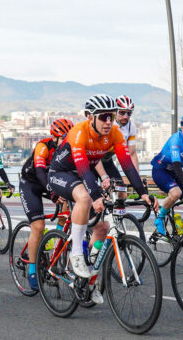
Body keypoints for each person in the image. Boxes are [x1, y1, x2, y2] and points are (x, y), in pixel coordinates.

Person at [47, 94, 155, 301]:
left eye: (111, 117)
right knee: (86, 199)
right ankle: (76, 253)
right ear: (90, 117)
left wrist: (143, 193)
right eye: (104, 117)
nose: (108, 122)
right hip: (62, 174)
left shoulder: (114, 132)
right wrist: (96, 196)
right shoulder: (79, 133)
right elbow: (83, 169)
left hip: (83, 173)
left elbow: (126, 164)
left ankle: (89, 278)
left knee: (103, 228)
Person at [19, 118, 74, 290]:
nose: (66, 141)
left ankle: (56, 245)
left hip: (50, 182)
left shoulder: (69, 149)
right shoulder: (43, 147)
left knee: (68, 212)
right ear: (54, 138)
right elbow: (41, 172)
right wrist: (52, 193)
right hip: (31, 184)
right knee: (38, 226)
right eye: (63, 138)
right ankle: (33, 270)